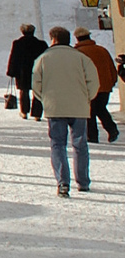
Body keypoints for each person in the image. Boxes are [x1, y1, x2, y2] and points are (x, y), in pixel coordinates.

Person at [31, 26, 97, 197]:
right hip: (79, 107)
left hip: (55, 107)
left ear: (53, 39)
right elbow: (93, 82)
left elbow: (36, 83)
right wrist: (86, 97)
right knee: (80, 144)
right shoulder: (81, 58)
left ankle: (63, 183)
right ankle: (83, 181)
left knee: (58, 144)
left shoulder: (43, 59)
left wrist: (45, 99)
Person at [73, 28, 119, 143]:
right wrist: (112, 82)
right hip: (105, 86)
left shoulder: (78, 53)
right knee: (101, 108)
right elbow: (111, 67)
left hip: (87, 87)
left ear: (77, 38)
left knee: (89, 112)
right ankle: (111, 129)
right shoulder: (102, 50)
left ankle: (92, 136)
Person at [6, 24, 47, 121]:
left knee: (24, 91)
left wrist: (11, 71)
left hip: (22, 72)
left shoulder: (17, 43)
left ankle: (24, 112)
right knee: (37, 92)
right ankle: (37, 114)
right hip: (37, 71)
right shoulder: (41, 44)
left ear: (22, 32)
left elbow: (14, 58)